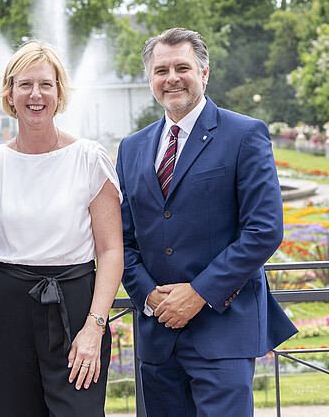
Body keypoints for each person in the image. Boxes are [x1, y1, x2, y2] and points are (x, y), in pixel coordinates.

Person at [116, 28, 298, 417]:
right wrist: (148, 295)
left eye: (183, 67)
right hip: (157, 335)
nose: (172, 78)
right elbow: (123, 239)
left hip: (223, 332)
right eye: (161, 70)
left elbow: (264, 229)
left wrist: (198, 293)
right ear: (150, 79)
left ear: (205, 73)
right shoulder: (131, 148)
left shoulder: (244, 134)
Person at [0, 41, 124, 416]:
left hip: (75, 307)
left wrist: (95, 327)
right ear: (10, 94)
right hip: (5, 311)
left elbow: (111, 250)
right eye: (25, 84)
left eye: (46, 84)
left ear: (60, 93)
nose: (36, 94)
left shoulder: (89, 158)